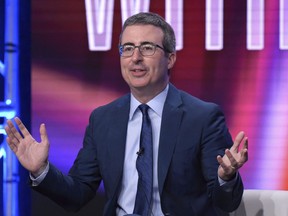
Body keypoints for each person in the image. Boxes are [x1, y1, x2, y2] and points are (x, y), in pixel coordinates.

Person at [5, 12, 248, 216]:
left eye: (147, 48)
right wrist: (41, 170)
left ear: (170, 58)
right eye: (128, 48)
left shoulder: (203, 117)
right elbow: (77, 194)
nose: (136, 58)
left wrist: (225, 178)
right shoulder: (103, 119)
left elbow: (225, 203)